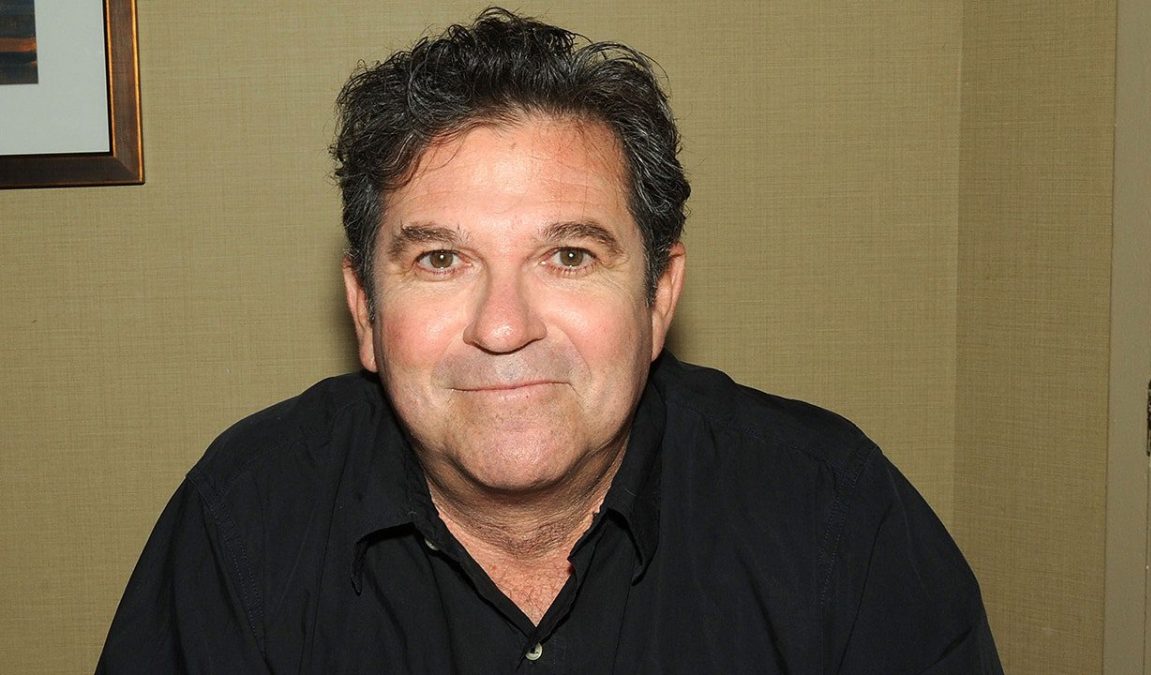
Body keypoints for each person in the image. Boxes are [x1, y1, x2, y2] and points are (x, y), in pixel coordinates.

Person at [97, 8, 1002, 673]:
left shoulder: (835, 517)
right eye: (441, 259)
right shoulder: (244, 523)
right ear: (365, 311)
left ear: (659, 296)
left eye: (569, 255)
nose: (503, 326)